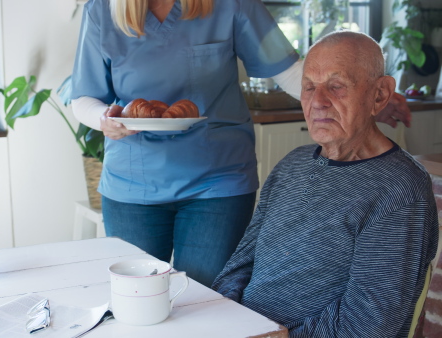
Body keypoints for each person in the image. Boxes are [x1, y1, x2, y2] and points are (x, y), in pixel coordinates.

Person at [69, 0, 411, 287]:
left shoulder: (230, 4)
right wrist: (105, 119)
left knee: (206, 301)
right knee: (136, 299)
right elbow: (83, 95)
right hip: (133, 185)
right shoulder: (103, 10)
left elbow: (290, 69)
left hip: (218, 184)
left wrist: (365, 99)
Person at [212, 31, 439, 337]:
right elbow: (241, 262)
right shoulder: (292, 164)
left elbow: (369, 321)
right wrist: (225, 312)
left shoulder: (399, 188)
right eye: (308, 87)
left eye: (336, 86)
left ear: (380, 95)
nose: (318, 101)